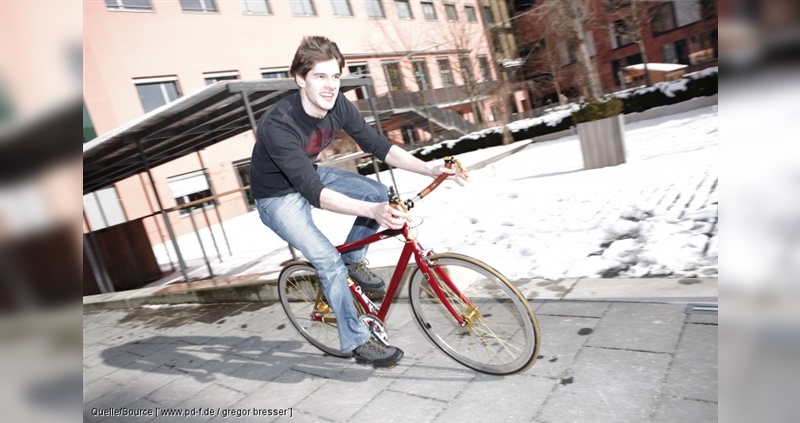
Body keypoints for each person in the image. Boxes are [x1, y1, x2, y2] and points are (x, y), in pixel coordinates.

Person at [250, 36, 467, 368]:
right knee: (328, 262)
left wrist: (429, 168)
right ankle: (357, 340)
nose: (330, 86)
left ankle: (353, 259)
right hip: (277, 198)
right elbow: (313, 194)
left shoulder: (339, 106)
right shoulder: (278, 125)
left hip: (308, 175)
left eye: (335, 76)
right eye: (320, 76)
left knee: (378, 192)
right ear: (300, 79)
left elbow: (378, 145)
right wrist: (372, 212)